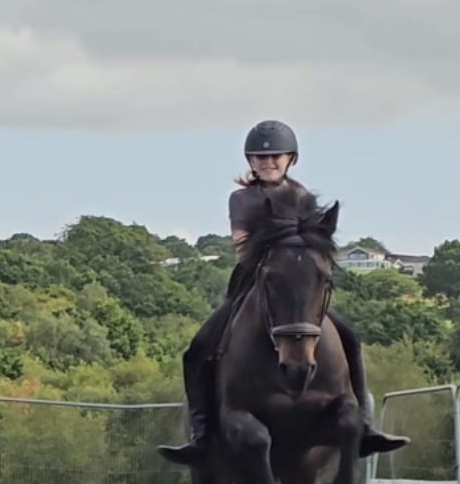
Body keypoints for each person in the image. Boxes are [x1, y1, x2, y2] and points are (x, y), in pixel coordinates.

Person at [158, 118, 409, 465]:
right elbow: (243, 248)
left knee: (350, 339)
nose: (268, 162)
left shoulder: (303, 196)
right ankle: (201, 435)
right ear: (251, 161)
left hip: (299, 288)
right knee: (197, 349)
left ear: (290, 159)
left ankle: (365, 426)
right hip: (253, 284)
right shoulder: (242, 198)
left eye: (275, 156)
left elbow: (316, 242)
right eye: (260, 158)